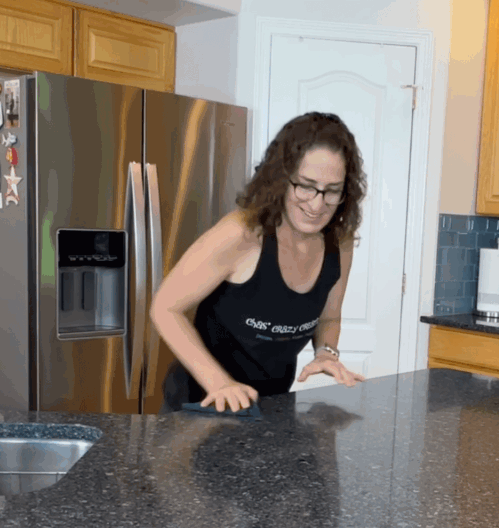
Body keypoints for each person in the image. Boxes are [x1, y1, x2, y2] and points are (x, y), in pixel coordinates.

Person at [151, 112, 367, 413]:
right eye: (306, 185)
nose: (317, 204)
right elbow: (165, 308)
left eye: (332, 191)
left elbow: (329, 317)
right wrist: (220, 384)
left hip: (270, 406)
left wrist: (326, 353)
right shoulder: (242, 234)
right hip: (199, 405)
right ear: (281, 178)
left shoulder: (339, 242)